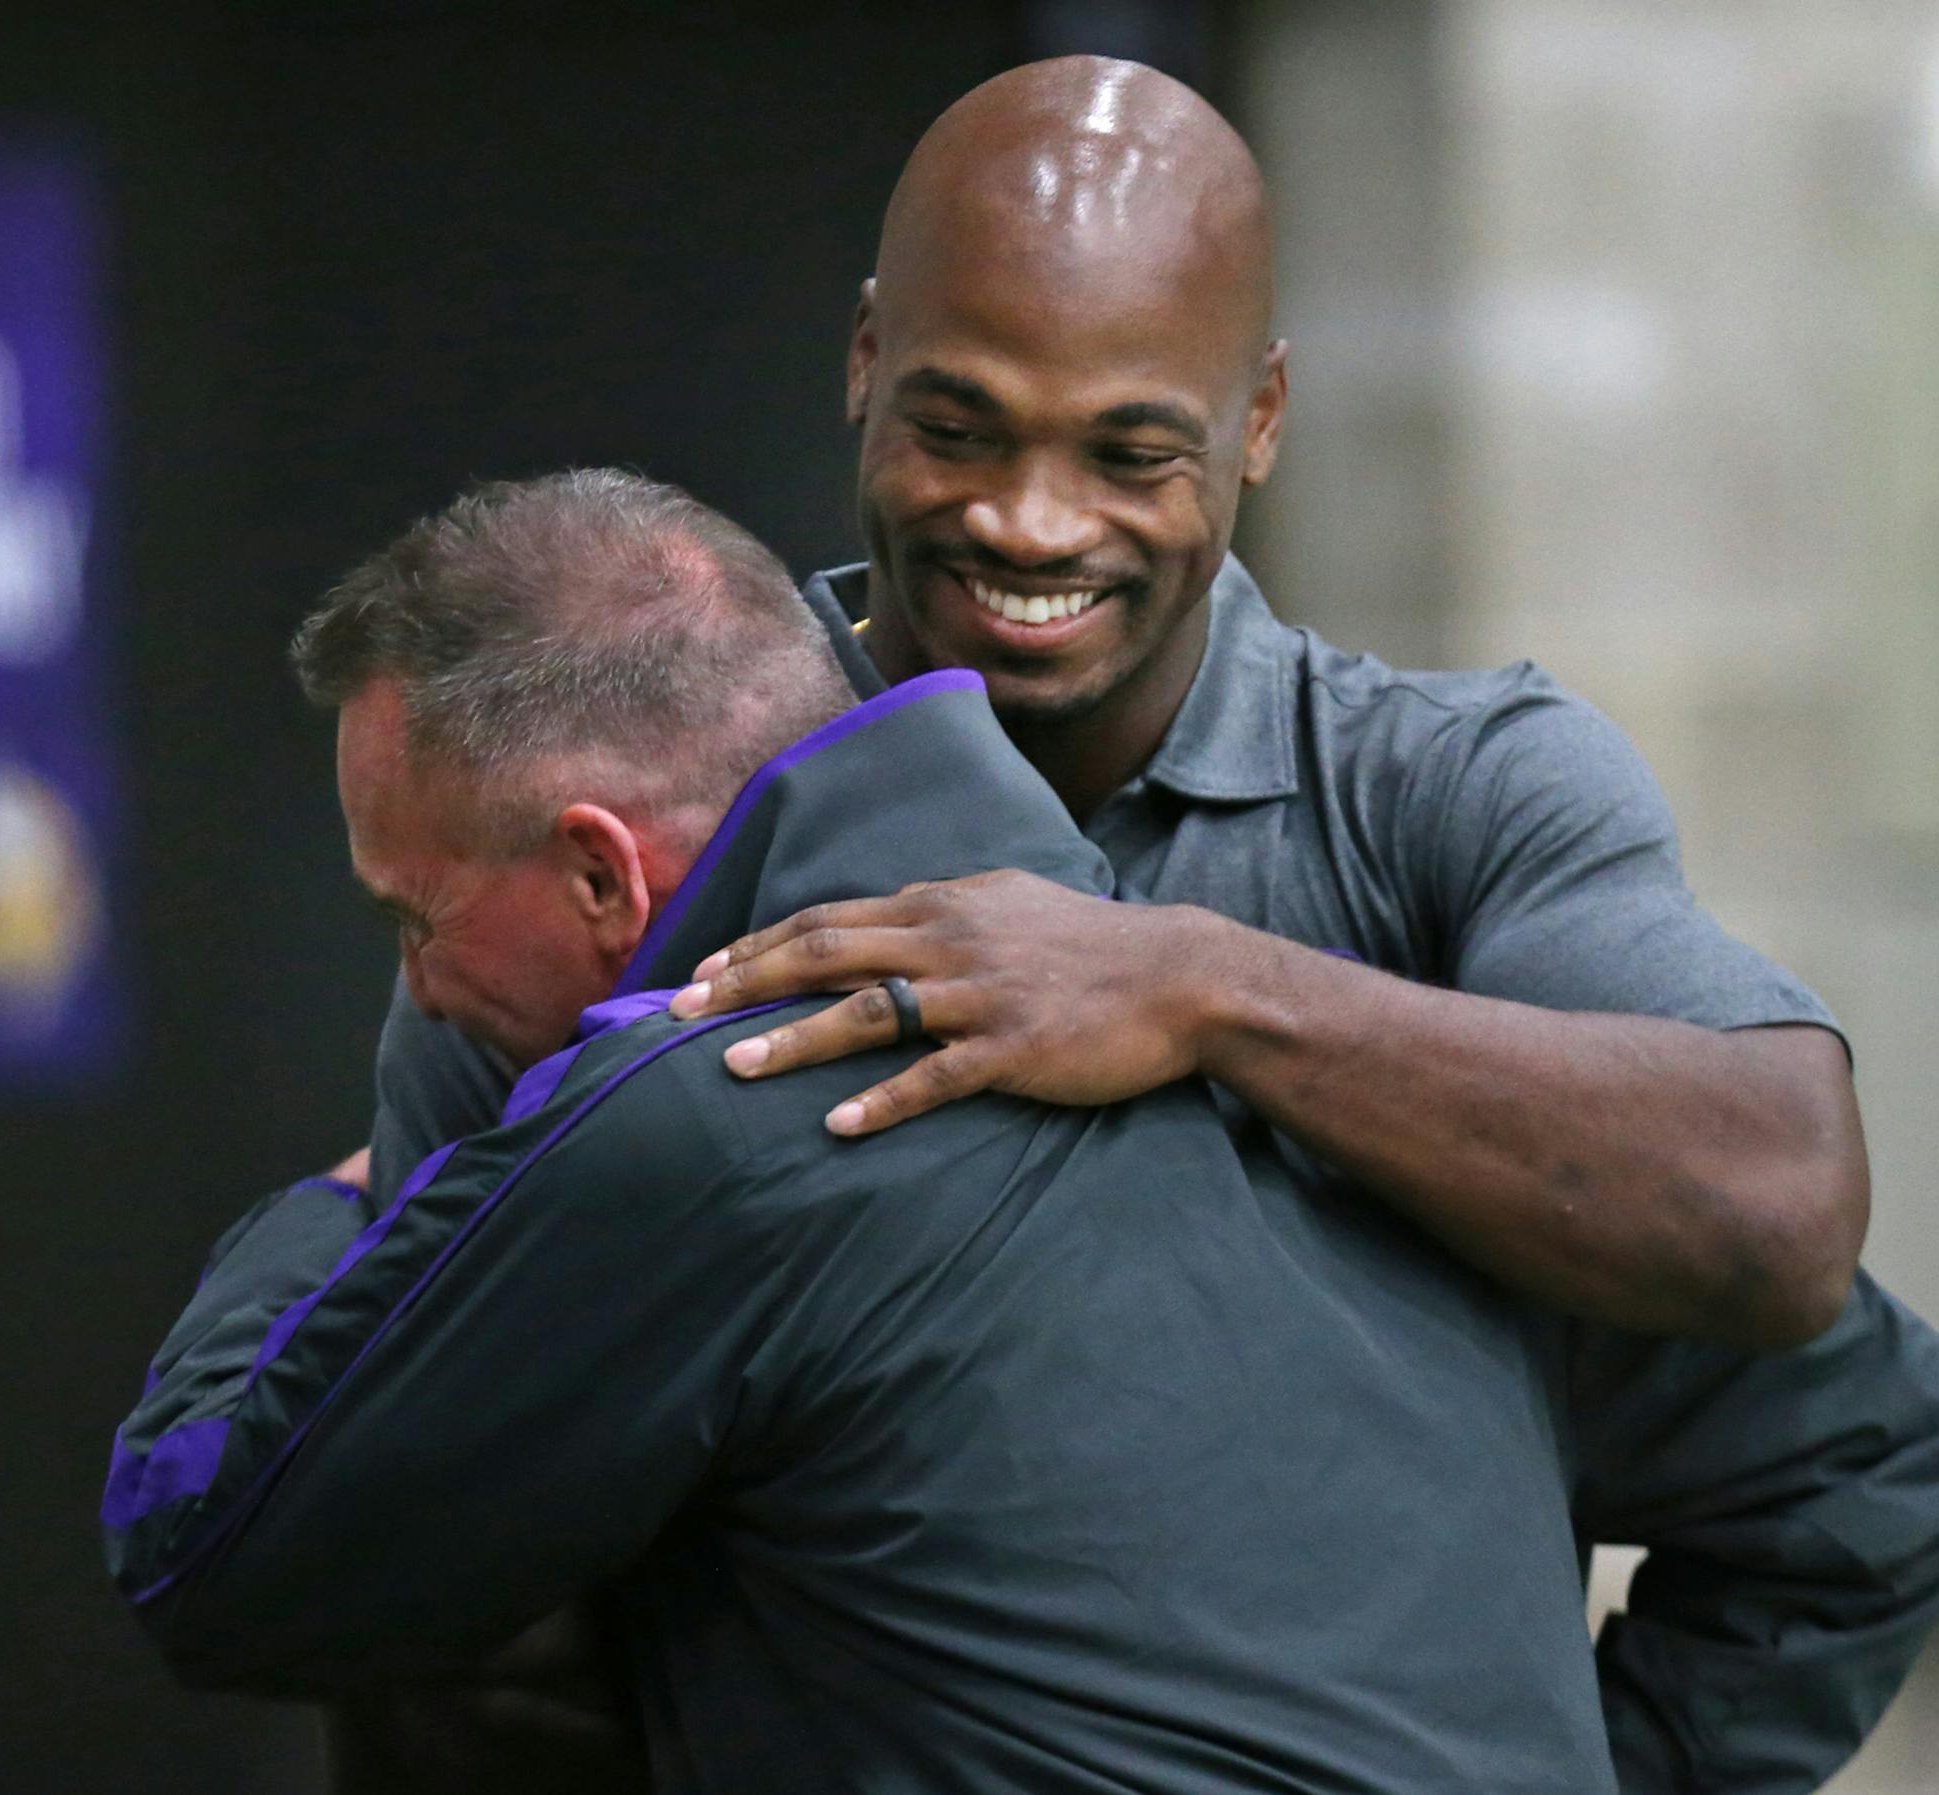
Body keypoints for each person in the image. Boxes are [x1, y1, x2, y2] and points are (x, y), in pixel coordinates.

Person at [106, 471, 1939, 1795]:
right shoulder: (1378, 1072)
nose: (418, 987)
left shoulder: (716, 1108)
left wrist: (340, 1216)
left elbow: (210, 1565)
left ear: (606, 866)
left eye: (414, 918)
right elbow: (1866, 1444)